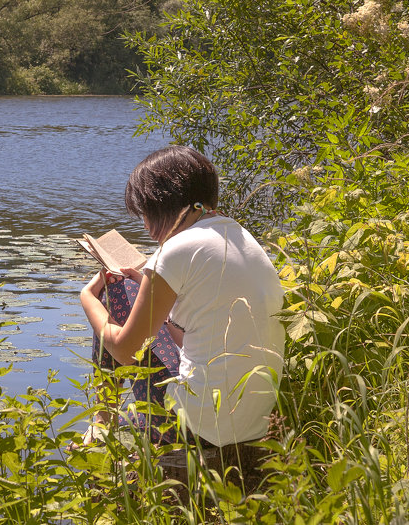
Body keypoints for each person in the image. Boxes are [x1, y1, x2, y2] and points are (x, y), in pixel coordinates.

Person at [79, 145, 285, 451]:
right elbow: (196, 337)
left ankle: (102, 421)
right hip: (252, 423)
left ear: (164, 205)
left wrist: (87, 297)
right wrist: (150, 295)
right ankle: (105, 421)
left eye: (147, 215)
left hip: (198, 428)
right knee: (134, 293)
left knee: (117, 292)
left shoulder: (176, 249)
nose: (148, 230)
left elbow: (125, 352)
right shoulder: (241, 237)